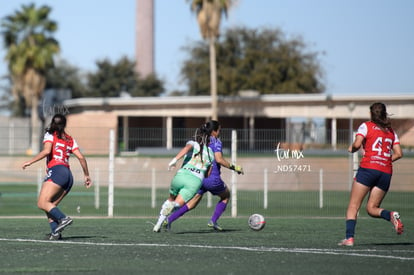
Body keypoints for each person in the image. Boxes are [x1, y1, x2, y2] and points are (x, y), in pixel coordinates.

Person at [338, 102, 403, 247]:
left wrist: (352, 148)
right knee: (371, 208)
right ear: (384, 114)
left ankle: (349, 238)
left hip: (368, 169)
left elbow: (357, 143)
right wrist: (384, 160)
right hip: (385, 172)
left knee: (353, 206)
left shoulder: (366, 126)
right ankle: (390, 215)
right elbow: (399, 154)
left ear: (371, 114)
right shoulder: (391, 132)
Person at [164, 120, 244, 231]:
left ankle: (169, 219)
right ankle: (213, 221)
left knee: (192, 203)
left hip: (199, 177)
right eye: (219, 130)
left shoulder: (200, 139)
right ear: (214, 132)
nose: (220, 133)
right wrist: (235, 167)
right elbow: (219, 159)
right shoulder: (216, 141)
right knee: (226, 196)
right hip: (212, 178)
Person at [22, 114, 92, 240]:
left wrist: (30, 161)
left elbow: (47, 151)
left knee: (42, 202)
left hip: (57, 171)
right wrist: (86, 175)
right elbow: (81, 157)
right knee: (50, 205)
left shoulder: (50, 134)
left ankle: (63, 219)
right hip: (68, 176)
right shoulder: (70, 139)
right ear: (64, 124)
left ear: (52, 123)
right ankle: (55, 233)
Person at [153, 124, 214, 232]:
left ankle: (157, 225)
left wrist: (174, 160)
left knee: (170, 199)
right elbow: (207, 175)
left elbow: (186, 148)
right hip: (194, 181)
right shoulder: (211, 154)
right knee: (177, 205)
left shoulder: (193, 143)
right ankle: (173, 206)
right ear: (209, 141)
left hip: (181, 175)